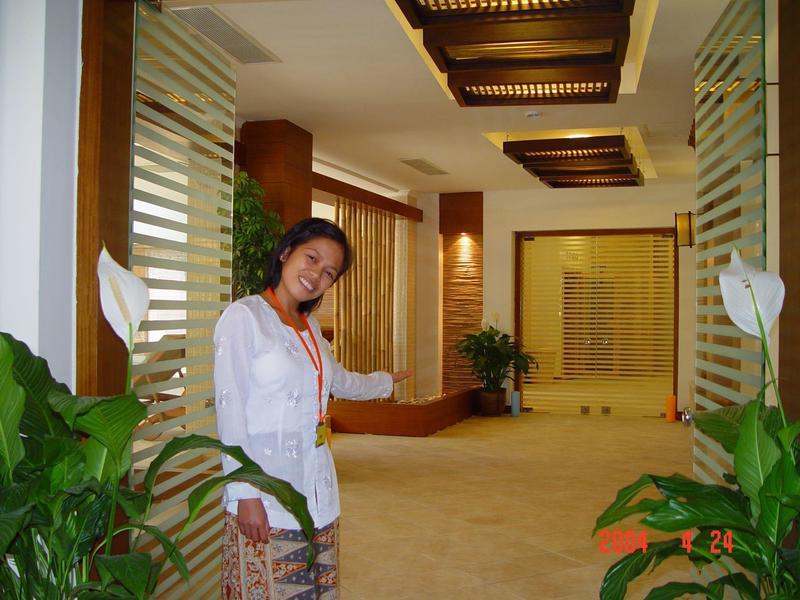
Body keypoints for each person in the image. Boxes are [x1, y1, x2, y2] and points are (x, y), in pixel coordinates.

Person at [213, 217, 412, 599]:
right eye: (311, 258)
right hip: (269, 495)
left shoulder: (311, 326)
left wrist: (384, 381)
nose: (315, 274)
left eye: (328, 272)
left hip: (318, 491)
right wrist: (245, 493)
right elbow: (230, 409)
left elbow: (337, 380)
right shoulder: (245, 317)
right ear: (287, 252)